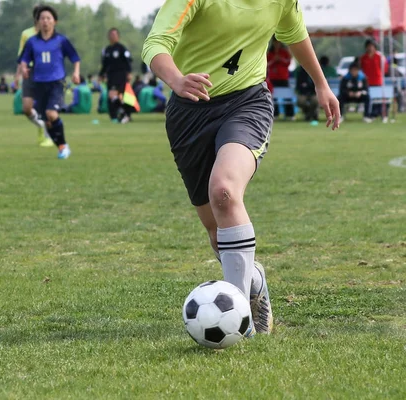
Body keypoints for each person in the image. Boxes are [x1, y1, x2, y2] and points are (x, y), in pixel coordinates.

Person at [142, 0, 340, 336]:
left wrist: (321, 83)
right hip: (189, 110)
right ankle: (254, 279)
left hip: (246, 103)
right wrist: (176, 79)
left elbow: (294, 33)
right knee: (217, 232)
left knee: (224, 191)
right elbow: (155, 44)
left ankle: (241, 320)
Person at [20, 5, 80, 160]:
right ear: (37, 22)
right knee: (47, 121)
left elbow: (75, 58)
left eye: (48, 18)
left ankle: (64, 145)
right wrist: (25, 68)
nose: (45, 21)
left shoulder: (61, 40)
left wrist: (76, 72)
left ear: (55, 21)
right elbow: (24, 59)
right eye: (42, 18)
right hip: (39, 83)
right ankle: (61, 146)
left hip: (57, 82)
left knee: (51, 114)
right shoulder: (32, 42)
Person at [14, 5, 52, 148]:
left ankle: (48, 137)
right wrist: (17, 76)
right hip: (29, 72)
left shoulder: (51, 35)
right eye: (41, 17)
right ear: (36, 18)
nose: (44, 21)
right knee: (27, 108)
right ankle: (41, 125)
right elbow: (21, 57)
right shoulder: (26, 34)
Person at [99, 28, 133, 123]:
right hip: (110, 76)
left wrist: (129, 72)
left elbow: (128, 60)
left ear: (118, 36)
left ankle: (124, 114)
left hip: (120, 75)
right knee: (115, 97)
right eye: (111, 34)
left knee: (114, 95)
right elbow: (105, 64)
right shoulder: (107, 50)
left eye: (114, 34)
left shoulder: (121, 48)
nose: (112, 36)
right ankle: (121, 115)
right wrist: (101, 75)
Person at [360, 39, 388, 120]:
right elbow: (361, 69)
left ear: (375, 47)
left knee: (378, 98)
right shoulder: (363, 57)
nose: (370, 48)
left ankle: (378, 113)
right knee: (369, 98)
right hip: (367, 81)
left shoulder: (379, 57)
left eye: (371, 46)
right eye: (368, 46)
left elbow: (385, 69)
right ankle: (370, 114)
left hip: (377, 80)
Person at [267, 37, 295, 119]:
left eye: (278, 42)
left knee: (287, 96)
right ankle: (275, 113)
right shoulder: (270, 53)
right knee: (272, 96)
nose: (277, 44)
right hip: (273, 77)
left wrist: (280, 59)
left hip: (283, 77)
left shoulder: (284, 52)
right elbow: (266, 64)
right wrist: (273, 60)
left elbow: (288, 62)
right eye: (275, 42)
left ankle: (290, 114)